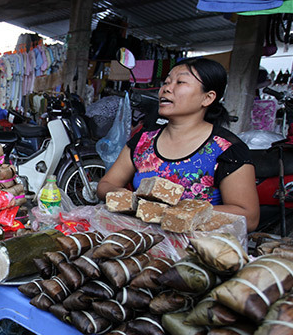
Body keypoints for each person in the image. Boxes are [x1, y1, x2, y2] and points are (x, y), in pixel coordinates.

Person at [97, 57, 260, 231]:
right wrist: (126, 197)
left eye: (180, 82)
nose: (166, 88)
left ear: (208, 98)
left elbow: (248, 217)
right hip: (142, 244)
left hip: (194, 251)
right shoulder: (143, 142)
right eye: (166, 82)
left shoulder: (226, 149)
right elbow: (105, 185)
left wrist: (177, 212)